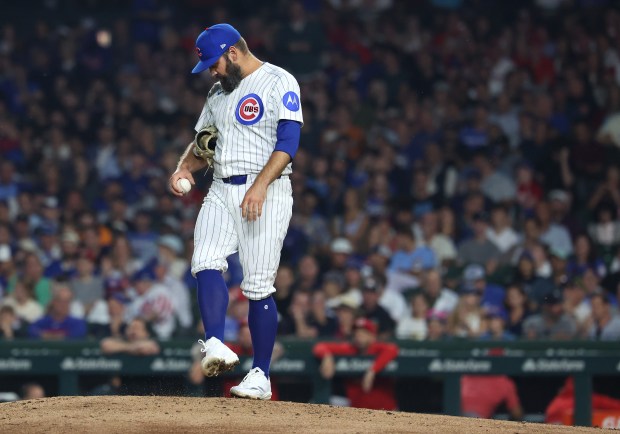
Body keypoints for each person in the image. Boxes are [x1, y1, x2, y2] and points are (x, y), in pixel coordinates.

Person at [169, 23, 303, 400]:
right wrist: (184, 168)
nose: (211, 71)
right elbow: (202, 145)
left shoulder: (279, 81)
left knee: (258, 286)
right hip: (221, 187)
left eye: (214, 63)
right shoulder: (217, 93)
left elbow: (289, 142)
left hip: (268, 191)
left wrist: (260, 186)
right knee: (205, 260)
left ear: (232, 52)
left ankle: (260, 374)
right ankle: (213, 342)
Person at [313, 318, 399, 410]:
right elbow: (319, 347)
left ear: (372, 336)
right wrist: (327, 357)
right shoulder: (350, 349)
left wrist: (372, 371)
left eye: (363, 333)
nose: (359, 336)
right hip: (358, 412)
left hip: (385, 410)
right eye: (357, 333)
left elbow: (392, 349)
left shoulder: (377, 348)